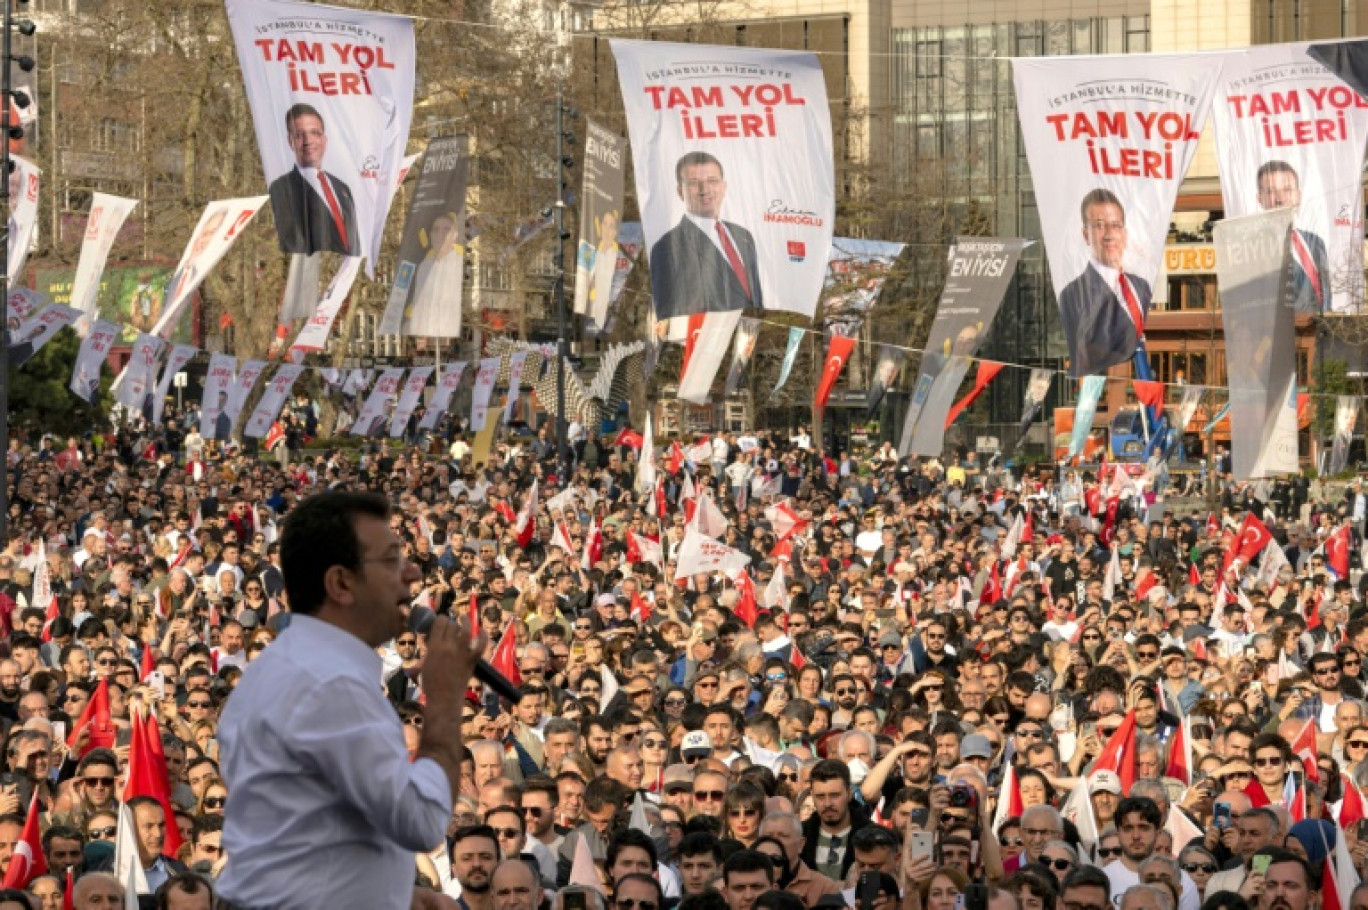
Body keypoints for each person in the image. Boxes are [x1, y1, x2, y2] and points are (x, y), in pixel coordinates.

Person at [216, 491, 484, 909]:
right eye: (392, 559)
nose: (413, 572)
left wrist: (390, 893)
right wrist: (446, 698)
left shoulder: (293, 666)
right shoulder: (329, 686)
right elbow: (423, 821)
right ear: (341, 583)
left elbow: (315, 836)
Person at [649, 151, 763, 321]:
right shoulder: (667, 247)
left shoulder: (744, 236)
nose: (705, 189)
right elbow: (669, 315)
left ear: (724, 187)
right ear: (680, 191)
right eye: (694, 183)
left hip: (750, 339)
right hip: (705, 343)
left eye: (712, 181)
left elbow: (753, 298)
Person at [1057, 188, 1151, 377]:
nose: (1109, 235)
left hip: (1141, 383)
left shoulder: (1142, 287)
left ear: (1124, 233)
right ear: (1086, 235)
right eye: (1099, 226)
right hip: (1105, 383)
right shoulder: (1073, 294)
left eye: (1115, 226)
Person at [267, 103, 360, 256]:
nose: (308, 141)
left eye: (315, 133)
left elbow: (353, 239)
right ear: (290, 141)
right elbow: (290, 246)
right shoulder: (281, 189)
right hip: (315, 274)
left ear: (324, 140)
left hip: (347, 275)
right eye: (299, 135)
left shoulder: (342, 188)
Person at [1255, 160, 1329, 313]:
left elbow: (1326, 298)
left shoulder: (1315, 243)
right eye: (1270, 191)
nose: (1280, 198)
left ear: (1298, 195)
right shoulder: (1251, 245)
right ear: (1260, 199)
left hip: (1313, 333)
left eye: (1287, 189)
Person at [404, 213, 466, 337]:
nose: (440, 235)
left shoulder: (458, 263)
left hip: (446, 329)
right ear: (431, 235)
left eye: (446, 230)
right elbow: (419, 303)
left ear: (454, 235)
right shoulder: (424, 266)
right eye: (435, 230)